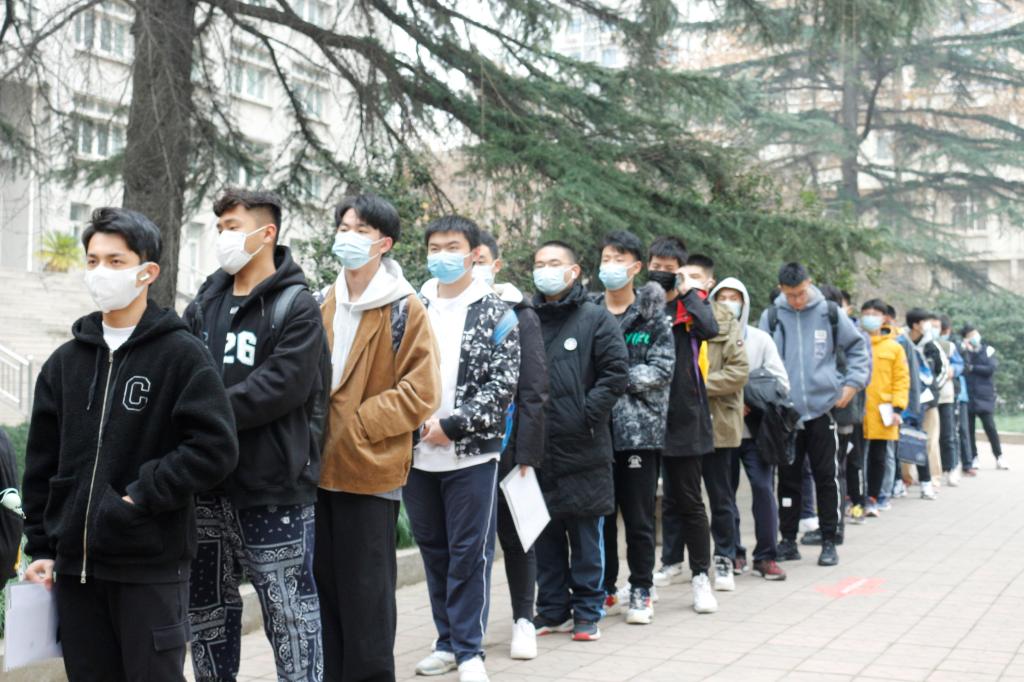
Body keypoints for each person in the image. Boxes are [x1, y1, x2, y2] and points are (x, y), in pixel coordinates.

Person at [22, 207, 239, 681]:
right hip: (77, 574)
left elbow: (215, 448)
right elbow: (41, 464)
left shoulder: (182, 355)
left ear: (148, 272)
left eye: (115, 261)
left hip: (149, 567)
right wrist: (40, 547)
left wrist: (140, 496)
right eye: (93, 260)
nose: (101, 272)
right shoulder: (65, 363)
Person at [183, 189, 324, 682]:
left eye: (233, 226)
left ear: (267, 233)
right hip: (205, 485)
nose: (223, 236)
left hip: (273, 488)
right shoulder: (205, 301)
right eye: (220, 226)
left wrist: (205, 414)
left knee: (290, 614)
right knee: (206, 613)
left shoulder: (296, 305)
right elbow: (181, 370)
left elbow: (281, 386)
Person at [317, 194, 441, 682]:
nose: (348, 237)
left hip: (370, 471)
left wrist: (361, 424)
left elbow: (422, 390)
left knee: (367, 598)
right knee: (325, 593)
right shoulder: (323, 300)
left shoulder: (403, 306)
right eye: (344, 227)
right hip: (318, 470)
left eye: (361, 230)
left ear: (384, 243)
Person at [406, 216, 520, 682]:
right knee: (434, 550)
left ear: (474, 254)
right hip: (415, 452)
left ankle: (470, 650)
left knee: (469, 553)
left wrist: (452, 426)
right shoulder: (411, 306)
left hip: (471, 453)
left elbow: (502, 386)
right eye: (434, 247)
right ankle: (446, 642)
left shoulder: (498, 313)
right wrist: (414, 424)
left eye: (452, 246)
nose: (442, 255)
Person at [530, 240, 628, 641]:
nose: (546, 270)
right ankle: (553, 608)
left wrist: (584, 413)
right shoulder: (527, 318)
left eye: (554, 263)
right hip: (538, 447)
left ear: (573, 271)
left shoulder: (595, 318)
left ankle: (588, 609)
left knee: (586, 534)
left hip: (583, 446)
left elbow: (616, 373)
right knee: (546, 533)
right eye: (539, 264)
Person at [759, 262, 870, 567]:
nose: (796, 300)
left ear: (809, 283)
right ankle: (787, 540)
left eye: (800, 293)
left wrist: (851, 385)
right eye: (790, 295)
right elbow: (759, 360)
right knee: (788, 479)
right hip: (787, 413)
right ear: (781, 289)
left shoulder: (829, 313)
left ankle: (830, 539)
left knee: (826, 477)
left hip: (824, 409)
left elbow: (858, 349)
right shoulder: (772, 316)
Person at [593, 231, 674, 625]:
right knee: (601, 516)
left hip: (638, 433)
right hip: (594, 432)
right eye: (606, 258)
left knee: (639, 517)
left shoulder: (652, 315)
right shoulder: (589, 311)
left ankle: (641, 586)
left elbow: (661, 369)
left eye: (619, 259)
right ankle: (604, 588)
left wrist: (613, 380)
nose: (611, 266)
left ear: (636, 267)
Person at [474, 231, 549, 659]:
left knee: (518, 536)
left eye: (480, 259)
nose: (473, 266)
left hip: (508, 445)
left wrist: (527, 453)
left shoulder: (520, 313)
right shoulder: (440, 309)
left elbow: (534, 388)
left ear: (496, 264)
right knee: (470, 543)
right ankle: (467, 627)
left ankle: (524, 619)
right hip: (461, 446)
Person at [648, 236, 720, 614]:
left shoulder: (691, 307)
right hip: (642, 417)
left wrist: (687, 291)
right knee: (640, 503)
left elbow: (710, 329)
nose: (661, 273)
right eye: (655, 266)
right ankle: (642, 581)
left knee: (689, 500)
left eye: (668, 268)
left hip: (685, 417)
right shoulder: (640, 303)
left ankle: (701, 577)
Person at [711, 277, 788, 581]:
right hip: (720, 430)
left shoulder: (760, 339)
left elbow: (781, 382)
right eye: (722, 297)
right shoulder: (707, 338)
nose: (728, 303)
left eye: (735, 298)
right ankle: (732, 553)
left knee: (763, 489)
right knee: (723, 495)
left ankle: (766, 555)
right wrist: (731, 399)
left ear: (744, 303)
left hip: (757, 432)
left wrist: (750, 399)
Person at [691, 256, 749, 593]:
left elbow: (738, 372)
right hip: (684, 425)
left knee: (720, 495)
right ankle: (674, 559)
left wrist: (696, 385)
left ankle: (725, 556)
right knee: (680, 499)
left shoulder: (726, 323)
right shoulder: (678, 318)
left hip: (719, 424)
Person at [858, 300, 910, 516]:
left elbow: (901, 379)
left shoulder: (894, 347)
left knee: (879, 457)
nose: (870, 317)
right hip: (857, 409)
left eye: (875, 313)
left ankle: (874, 497)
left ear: (884, 318)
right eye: (866, 313)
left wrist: (898, 408)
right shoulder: (855, 343)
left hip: (883, 410)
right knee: (855, 458)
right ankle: (855, 498)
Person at [902, 308, 942, 500]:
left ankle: (929, 480)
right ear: (916, 325)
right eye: (925, 322)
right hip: (905, 400)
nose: (929, 326)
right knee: (903, 441)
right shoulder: (901, 342)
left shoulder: (931, 346)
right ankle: (904, 479)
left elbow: (940, 371)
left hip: (927, 401)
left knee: (926, 441)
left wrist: (931, 392)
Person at [962, 324, 1008, 470]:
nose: (974, 337)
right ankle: (974, 457)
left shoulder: (988, 350)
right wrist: (967, 352)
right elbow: (964, 368)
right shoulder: (964, 352)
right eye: (970, 335)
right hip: (969, 396)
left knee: (990, 428)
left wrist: (973, 368)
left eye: (975, 334)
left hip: (984, 396)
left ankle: (999, 456)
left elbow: (990, 369)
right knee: (969, 430)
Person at [937, 315, 964, 486]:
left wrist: (952, 369)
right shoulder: (922, 345)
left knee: (948, 434)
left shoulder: (949, 346)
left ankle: (952, 467)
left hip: (946, 396)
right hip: (927, 397)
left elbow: (959, 364)